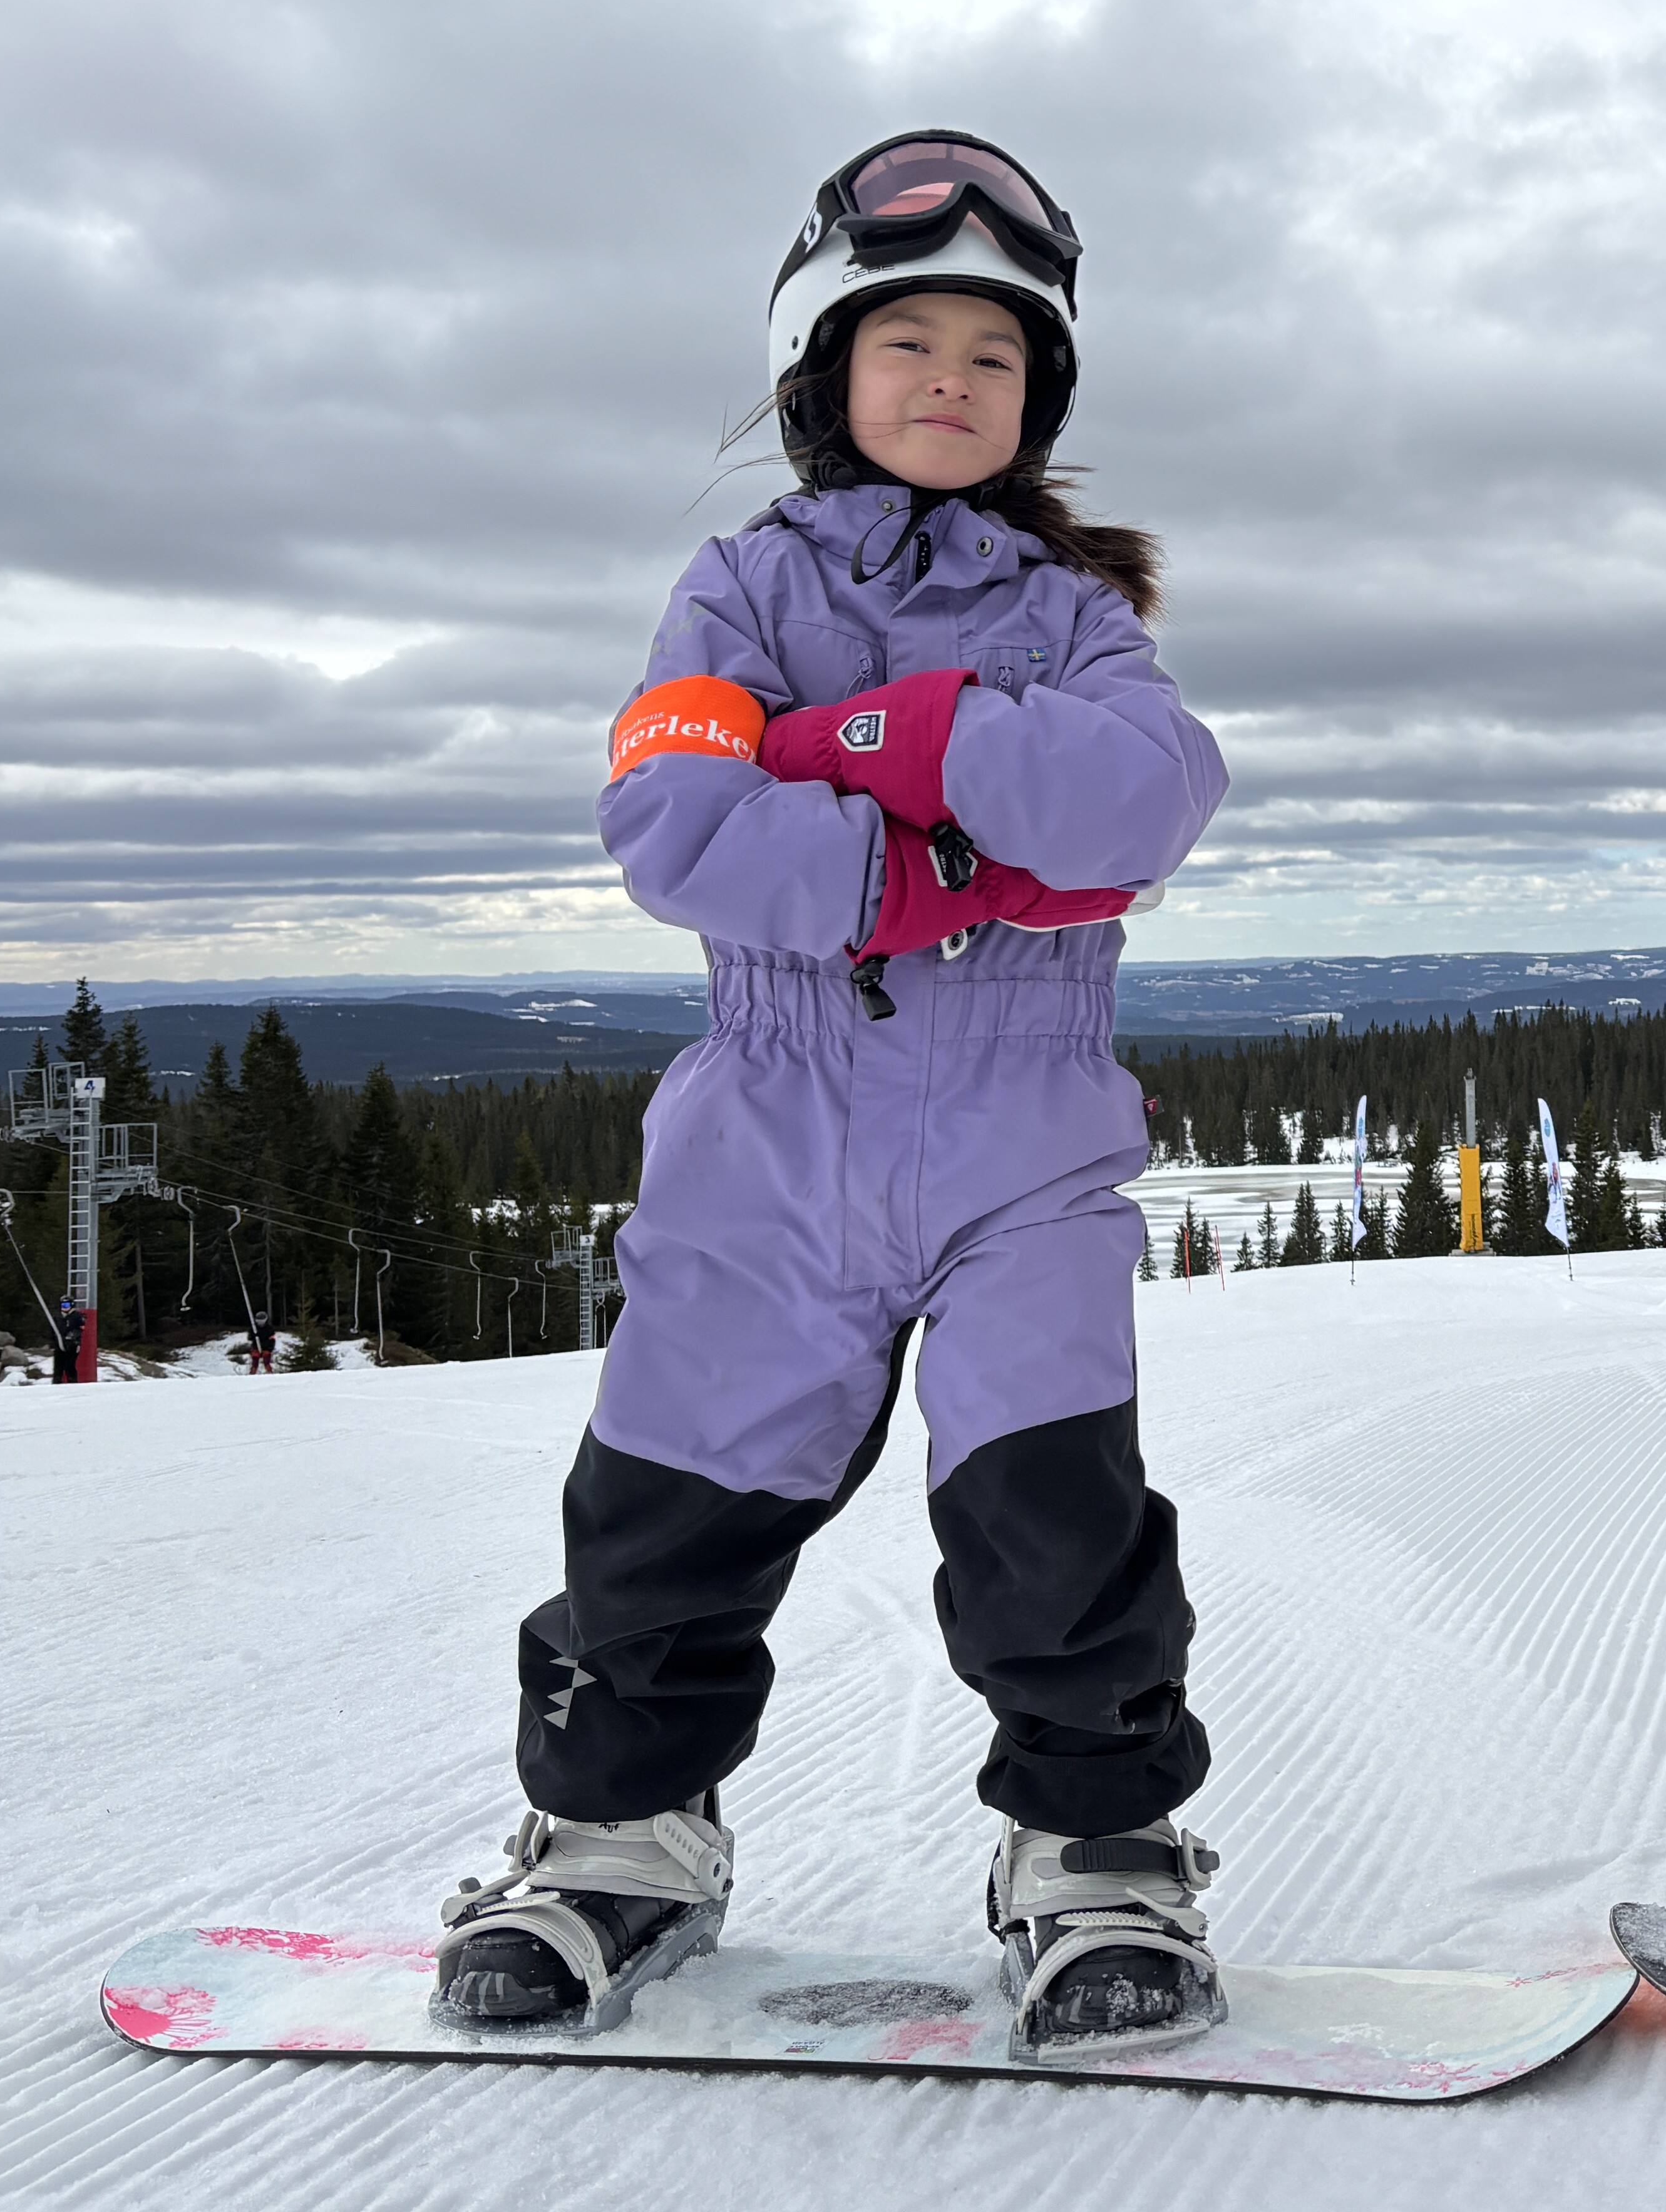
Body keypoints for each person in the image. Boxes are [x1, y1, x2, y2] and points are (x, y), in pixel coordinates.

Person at [434, 133, 1233, 2057]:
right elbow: (672, 817)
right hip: (770, 1130)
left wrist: (896, 737)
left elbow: (1148, 803)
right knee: (667, 1512)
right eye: (911, 345)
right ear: (824, 372)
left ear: (1037, 400)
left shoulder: (1068, 615)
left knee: (1057, 1513)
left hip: (1021, 1133)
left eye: (996, 355)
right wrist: (952, 853)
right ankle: (619, 1839)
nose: (953, 381)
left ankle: (1096, 1851)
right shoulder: (735, 589)